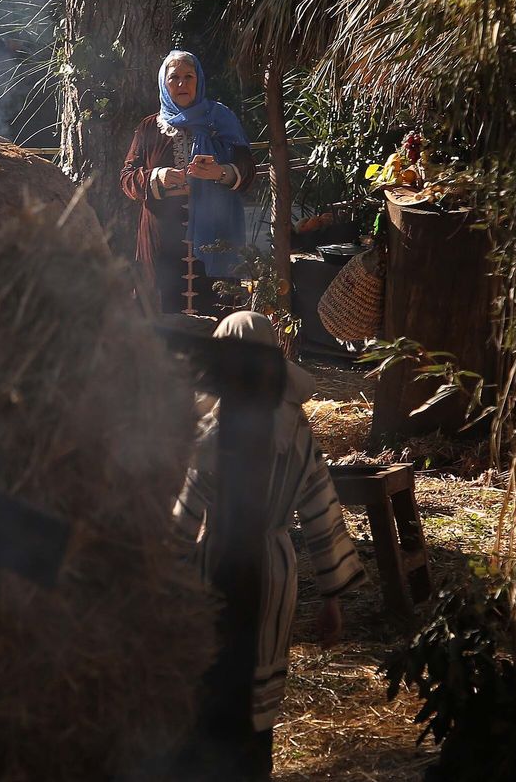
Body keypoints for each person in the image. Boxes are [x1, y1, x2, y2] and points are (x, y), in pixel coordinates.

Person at [173, 311, 368, 772]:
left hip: (213, 565)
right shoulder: (297, 430)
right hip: (275, 575)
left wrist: (157, 575)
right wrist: (331, 599)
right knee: (257, 702)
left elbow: (184, 519)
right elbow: (322, 510)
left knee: (211, 687)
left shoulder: (210, 433)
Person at [120, 50, 256, 316]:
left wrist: (220, 172)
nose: (181, 84)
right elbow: (126, 177)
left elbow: (248, 170)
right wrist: (156, 177)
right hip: (162, 239)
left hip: (215, 234)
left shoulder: (221, 120)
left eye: (188, 77)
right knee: (164, 314)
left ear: (199, 80)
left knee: (215, 308)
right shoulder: (150, 127)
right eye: (174, 78)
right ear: (164, 83)